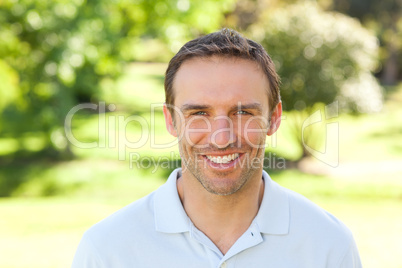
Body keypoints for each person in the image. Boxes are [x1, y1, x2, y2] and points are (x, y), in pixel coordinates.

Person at [72, 28, 362, 268]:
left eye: (242, 113)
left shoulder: (328, 246)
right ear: (171, 121)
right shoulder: (107, 251)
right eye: (199, 114)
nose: (221, 138)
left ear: (273, 118)